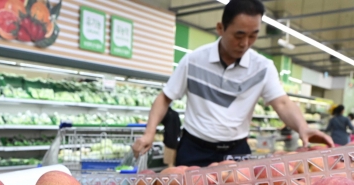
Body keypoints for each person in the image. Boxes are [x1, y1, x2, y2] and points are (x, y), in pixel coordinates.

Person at [132, 0, 333, 167]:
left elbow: (281, 102)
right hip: (194, 149)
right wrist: (149, 134)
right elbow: (164, 98)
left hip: (236, 151)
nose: (245, 43)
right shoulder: (193, 61)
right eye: (239, 35)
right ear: (221, 28)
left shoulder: (262, 67)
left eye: (253, 35)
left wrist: (303, 128)